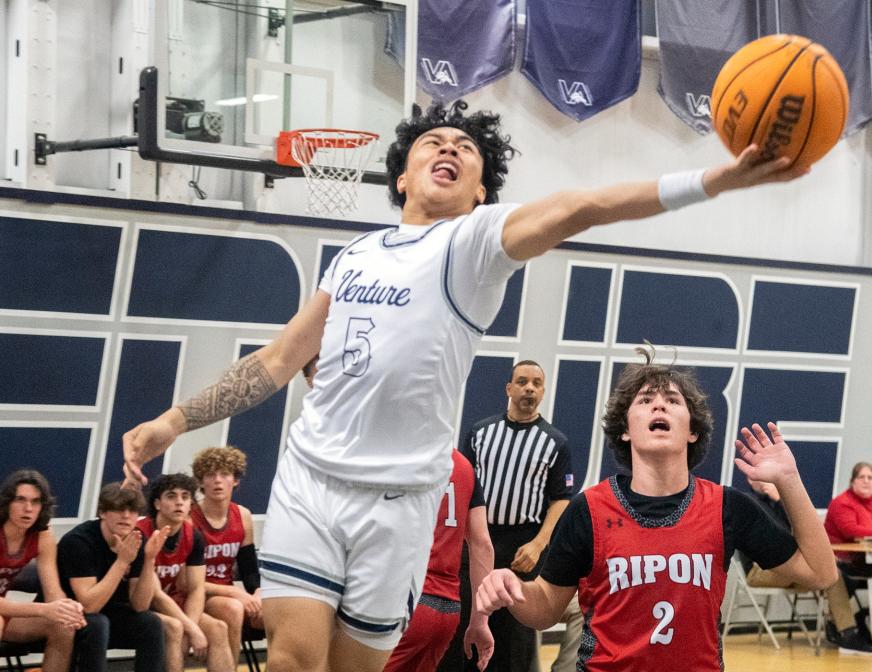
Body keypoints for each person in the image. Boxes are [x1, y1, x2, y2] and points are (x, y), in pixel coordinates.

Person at [121, 100, 806, 672]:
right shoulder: (354, 256)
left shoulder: (474, 243)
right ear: (401, 177)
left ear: (482, 190)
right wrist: (174, 422)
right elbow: (275, 361)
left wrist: (713, 181)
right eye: (432, 142)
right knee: (294, 661)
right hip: (310, 481)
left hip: (398, 501)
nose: (448, 148)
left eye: (466, 148)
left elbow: (582, 205)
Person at [475, 351, 837, 671]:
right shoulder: (589, 509)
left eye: (673, 401)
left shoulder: (728, 507)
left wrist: (789, 480)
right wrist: (514, 589)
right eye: (646, 399)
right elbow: (545, 610)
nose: (659, 406)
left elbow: (820, 573)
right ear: (626, 429)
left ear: (692, 431)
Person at [459, 360, 573, 672]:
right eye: (522, 382)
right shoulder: (480, 433)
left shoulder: (555, 442)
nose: (529, 388)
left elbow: (561, 499)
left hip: (523, 546)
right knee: (468, 619)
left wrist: (538, 544)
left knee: (515, 637)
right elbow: (462, 485)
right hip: (479, 539)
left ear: (544, 391)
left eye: (537, 383)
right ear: (508, 388)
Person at [383, 450, 495, 672]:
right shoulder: (465, 468)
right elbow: (483, 546)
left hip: (405, 600)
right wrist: (480, 620)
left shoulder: (401, 454)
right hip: (447, 610)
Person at [741, 478, 872, 656]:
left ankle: (846, 632)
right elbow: (774, 537)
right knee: (830, 570)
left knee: (831, 576)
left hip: (785, 567)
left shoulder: (775, 501)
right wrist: (780, 501)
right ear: (749, 478)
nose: (762, 481)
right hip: (760, 570)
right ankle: (843, 572)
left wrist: (780, 500)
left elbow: (799, 531)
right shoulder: (748, 501)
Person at [57, 483, 171, 672]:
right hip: (72, 616)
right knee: (98, 623)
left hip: (111, 614)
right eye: (118, 509)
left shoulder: (137, 539)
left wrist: (150, 559)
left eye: (132, 510)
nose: (126, 516)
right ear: (102, 512)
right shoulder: (79, 541)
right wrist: (122, 562)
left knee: (150, 623)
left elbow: (140, 605)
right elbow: (90, 606)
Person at [137, 473, 234, 672]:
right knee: (177, 628)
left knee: (218, 629)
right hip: (140, 603)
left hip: (171, 602)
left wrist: (193, 624)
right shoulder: (142, 533)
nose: (179, 503)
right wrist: (191, 628)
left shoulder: (194, 536)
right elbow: (155, 596)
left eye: (185, 497)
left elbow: (197, 588)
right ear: (157, 504)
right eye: (171, 496)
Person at [0, 470, 86, 672]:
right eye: (20, 500)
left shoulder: (43, 536)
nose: (28, 509)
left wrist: (67, 609)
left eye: (35, 502)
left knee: (63, 626)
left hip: (5, 613)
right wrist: (45, 610)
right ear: (7, 503)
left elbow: (53, 592)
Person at [189, 444, 263, 667]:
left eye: (225, 474)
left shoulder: (243, 515)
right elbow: (186, 581)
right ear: (201, 482)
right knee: (233, 608)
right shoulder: (190, 518)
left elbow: (249, 568)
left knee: (279, 610)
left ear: (236, 480)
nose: (218, 481)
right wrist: (233, 592)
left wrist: (257, 593)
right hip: (196, 594)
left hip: (227, 594)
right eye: (210, 475)